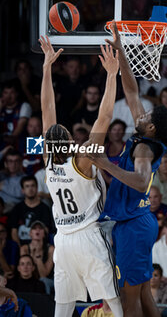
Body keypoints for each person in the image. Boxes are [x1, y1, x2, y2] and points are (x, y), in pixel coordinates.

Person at [86, 21, 167, 317]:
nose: (140, 111)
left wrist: (104, 164)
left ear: (150, 126)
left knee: (130, 300)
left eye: (146, 115)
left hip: (135, 227)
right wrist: (121, 49)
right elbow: (132, 90)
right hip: (138, 223)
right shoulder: (144, 133)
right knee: (144, 298)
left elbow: (140, 181)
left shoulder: (142, 148)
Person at [40, 36, 122, 317]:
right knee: (113, 301)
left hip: (62, 240)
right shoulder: (83, 159)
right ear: (68, 140)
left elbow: (46, 110)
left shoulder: (48, 161)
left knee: (63, 306)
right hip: (88, 236)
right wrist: (112, 75)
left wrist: (47, 68)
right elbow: (105, 115)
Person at [9, 175, 54, 246]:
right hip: (22, 247)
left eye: (33, 186)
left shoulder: (45, 208)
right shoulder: (17, 208)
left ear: (37, 188)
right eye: (27, 186)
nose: (30, 189)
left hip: (40, 246)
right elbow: (14, 231)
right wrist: (20, 247)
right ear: (22, 190)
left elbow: (46, 230)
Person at [20, 220, 54, 294]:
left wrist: (38, 258)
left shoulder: (50, 249)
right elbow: (23, 270)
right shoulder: (24, 248)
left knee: (43, 281)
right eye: (34, 228)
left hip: (49, 280)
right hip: (31, 278)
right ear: (30, 233)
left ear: (44, 233)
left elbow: (44, 274)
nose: (37, 230)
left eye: (40, 228)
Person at [102, 119, 126, 187]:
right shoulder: (105, 147)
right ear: (110, 132)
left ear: (124, 132)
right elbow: (98, 165)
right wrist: (108, 180)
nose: (117, 132)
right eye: (114, 129)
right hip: (105, 183)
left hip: (123, 183)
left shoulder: (128, 148)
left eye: (120, 130)